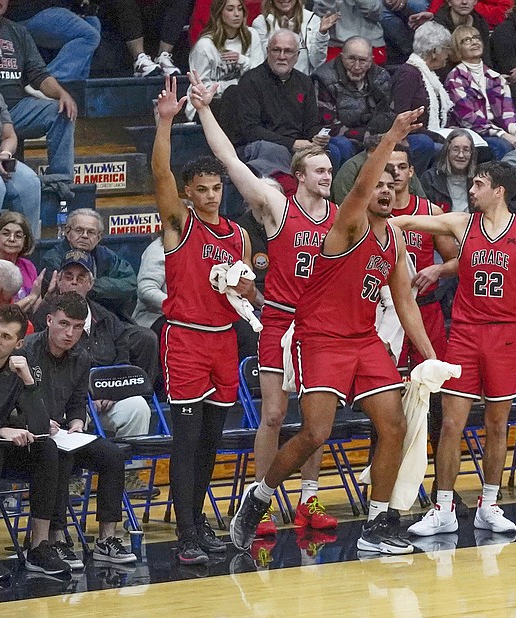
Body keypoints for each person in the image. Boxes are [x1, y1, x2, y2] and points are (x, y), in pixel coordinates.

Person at [227, 109, 435, 555]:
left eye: (390, 186)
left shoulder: (395, 242)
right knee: (314, 434)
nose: (383, 190)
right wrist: (394, 134)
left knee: (393, 424)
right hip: (319, 337)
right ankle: (258, 498)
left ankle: (379, 522)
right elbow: (362, 185)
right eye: (376, 184)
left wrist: (430, 356)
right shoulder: (347, 226)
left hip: (364, 340)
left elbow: (406, 305)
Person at [193, 70, 344, 537]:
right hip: (280, 321)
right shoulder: (277, 205)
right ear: (299, 176)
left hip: (321, 327)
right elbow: (229, 160)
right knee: (276, 414)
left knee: (315, 420)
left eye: (331, 171)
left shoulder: (343, 219)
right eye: (321, 170)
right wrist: (203, 110)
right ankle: (258, 502)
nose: (328, 176)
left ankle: (309, 500)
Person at [396, 161, 516, 538]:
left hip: (505, 337)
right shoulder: (462, 223)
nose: (471, 190)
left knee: (497, 425)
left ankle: (489, 503)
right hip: (464, 333)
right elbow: (404, 223)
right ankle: (442, 506)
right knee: (450, 424)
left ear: (498, 191)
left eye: (478, 184)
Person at [152, 78, 257, 565]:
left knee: (211, 442)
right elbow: (159, 175)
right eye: (203, 190)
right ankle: (185, 535)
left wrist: (245, 287)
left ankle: (198, 526)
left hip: (224, 342)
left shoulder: (238, 234)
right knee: (187, 442)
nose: (213, 196)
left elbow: (251, 293)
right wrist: (167, 122)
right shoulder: (180, 224)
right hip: (186, 340)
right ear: (189, 195)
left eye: (217, 188)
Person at [27, 291, 136, 569]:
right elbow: (14, 402)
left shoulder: (81, 357)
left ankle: (106, 539)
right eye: (64, 324)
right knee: (57, 455)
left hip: (63, 432)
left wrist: (77, 422)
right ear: (49, 320)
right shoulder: (26, 350)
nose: (70, 333)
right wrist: (38, 422)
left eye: (77, 327)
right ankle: (57, 537)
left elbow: (76, 402)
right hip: (31, 434)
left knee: (112, 455)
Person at [0, 304, 68, 579]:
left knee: (46, 448)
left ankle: (38, 546)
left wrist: (28, 380)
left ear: (19, 343)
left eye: (5, 337)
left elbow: (40, 428)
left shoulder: (18, 370)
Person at [32, 250, 157, 439]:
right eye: (68, 276)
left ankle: (131, 467)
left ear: (90, 284)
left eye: (81, 277)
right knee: (70, 417)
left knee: (138, 408)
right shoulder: (45, 316)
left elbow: (123, 360)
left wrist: (111, 391)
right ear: (59, 281)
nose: (74, 282)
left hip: (108, 398)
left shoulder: (107, 318)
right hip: (70, 400)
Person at [0, 0, 78, 181]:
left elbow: (39, 75)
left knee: (62, 111)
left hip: (17, 110)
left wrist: (62, 94)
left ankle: (61, 181)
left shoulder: (18, 32)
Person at [385, 145, 456, 369]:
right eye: (390, 168)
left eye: (402, 167)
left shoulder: (431, 212)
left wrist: (438, 270)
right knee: (388, 383)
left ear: (411, 172)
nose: (396, 173)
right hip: (386, 308)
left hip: (425, 306)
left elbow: (458, 260)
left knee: (431, 378)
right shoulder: (371, 214)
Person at [232, 29, 324, 178]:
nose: (282, 57)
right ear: (267, 51)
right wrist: (291, 143)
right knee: (275, 150)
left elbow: (311, 124)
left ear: (297, 55)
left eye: (288, 51)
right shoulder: (250, 81)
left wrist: (317, 136)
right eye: (276, 50)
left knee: (337, 147)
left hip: (297, 145)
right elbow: (250, 130)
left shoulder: (305, 82)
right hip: (260, 146)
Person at [38, 209, 137, 323]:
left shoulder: (107, 256)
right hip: (63, 317)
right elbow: (68, 289)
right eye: (79, 230)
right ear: (67, 232)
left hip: (108, 316)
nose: (84, 236)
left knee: (144, 336)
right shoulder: (52, 258)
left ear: (99, 237)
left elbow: (129, 283)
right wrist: (89, 286)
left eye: (91, 232)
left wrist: (90, 286)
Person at [313, 36, 394, 168]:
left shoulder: (380, 76)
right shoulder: (324, 79)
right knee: (342, 145)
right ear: (341, 57)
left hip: (375, 133)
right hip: (343, 136)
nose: (356, 66)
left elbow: (388, 113)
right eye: (351, 59)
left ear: (371, 61)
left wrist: (380, 134)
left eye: (362, 61)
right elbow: (328, 125)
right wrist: (367, 137)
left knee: (422, 143)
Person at [445, 26, 516, 161]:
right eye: (466, 40)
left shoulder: (496, 78)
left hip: (496, 130)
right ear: (458, 48)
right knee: (502, 146)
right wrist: (503, 134)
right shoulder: (454, 78)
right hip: (468, 132)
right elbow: (469, 119)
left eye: (476, 38)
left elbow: (508, 113)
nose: (474, 42)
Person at [391, 21, 453, 174]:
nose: (448, 54)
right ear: (434, 51)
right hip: (411, 136)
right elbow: (401, 115)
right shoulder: (408, 74)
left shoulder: (430, 75)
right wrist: (436, 136)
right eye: (446, 49)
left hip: (429, 134)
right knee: (438, 147)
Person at [188, 0, 264, 121]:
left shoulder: (251, 35)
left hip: (244, 102)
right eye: (230, 9)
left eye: (240, 9)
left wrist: (242, 60)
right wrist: (232, 85)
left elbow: (260, 76)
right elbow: (200, 88)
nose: (237, 14)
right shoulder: (205, 46)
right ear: (219, 13)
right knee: (233, 95)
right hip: (206, 105)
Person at [4, 0, 100, 82]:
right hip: (29, 11)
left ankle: (78, 85)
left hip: (52, 8)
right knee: (90, 36)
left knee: (93, 22)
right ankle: (48, 83)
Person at [0, 212, 41, 313]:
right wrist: (30, 299)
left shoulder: (28, 267)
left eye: (18, 236)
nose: (11, 239)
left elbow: (37, 304)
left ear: (25, 240)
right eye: (6, 234)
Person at [251, 0, 334, 76]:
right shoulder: (261, 23)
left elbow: (317, 62)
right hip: (272, 82)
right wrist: (283, 33)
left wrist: (322, 34)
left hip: (305, 83)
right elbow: (264, 61)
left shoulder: (312, 20)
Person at [421, 129, 477, 213]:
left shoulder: (479, 179)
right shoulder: (430, 178)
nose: (461, 155)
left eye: (466, 150)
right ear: (447, 151)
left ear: (471, 153)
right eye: (455, 149)